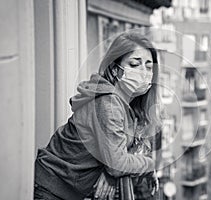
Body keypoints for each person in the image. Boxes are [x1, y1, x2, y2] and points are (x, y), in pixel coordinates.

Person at [34, 32, 160, 200]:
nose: (143, 72)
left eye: (148, 66)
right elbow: (116, 164)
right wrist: (149, 164)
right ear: (115, 70)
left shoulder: (122, 103)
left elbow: (113, 152)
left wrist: (108, 171)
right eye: (134, 64)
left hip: (62, 189)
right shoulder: (108, 103)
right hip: (51, 190)